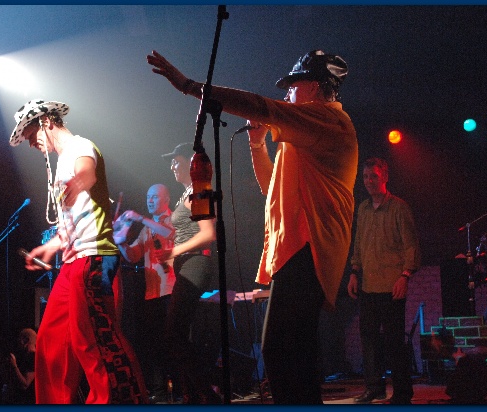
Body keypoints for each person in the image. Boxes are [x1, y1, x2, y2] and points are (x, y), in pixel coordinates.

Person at [148, 49, 358, 404]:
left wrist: (189, 86)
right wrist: (257, 145)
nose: (287, 93)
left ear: (314, 86)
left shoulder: (328, 120)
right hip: (296, 251)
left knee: (279, 348)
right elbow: (269, 188)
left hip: (309, 249)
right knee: (296, 352)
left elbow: (263, 107)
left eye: (293, 85)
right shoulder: (303, 137)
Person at [9, 99, 146, 404]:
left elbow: (88, 173)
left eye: (31, 135)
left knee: (94, 339)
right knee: (50, 341)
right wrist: (48, 247)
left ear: (46, 121)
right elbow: (71, 225)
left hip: (94, 257)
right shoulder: (60, 162)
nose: (31, 144)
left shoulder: (80, 146)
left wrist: (78, 181)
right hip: (73, 262)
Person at [145, 142, 221, 404]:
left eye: (176, 161)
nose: (172, 166)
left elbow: (208, 235)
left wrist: (173, 252)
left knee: (173, 334)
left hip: (196, 264)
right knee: (180, 334)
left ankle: (207, 395)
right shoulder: (187, 194)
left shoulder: (200, 191)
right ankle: (195, 396)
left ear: (191, 163)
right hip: (186, 264)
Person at [347, 157, 421, 405]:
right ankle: (374, 388)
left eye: (374, 176)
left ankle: (402, 393)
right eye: (365, 177)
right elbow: (358, 243)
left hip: (391, 286)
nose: (369, 181)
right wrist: (354, 272)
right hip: (368, 285)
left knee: (394, 342)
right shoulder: (363, 209)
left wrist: (405, 276)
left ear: (385, 177)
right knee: (368, 340)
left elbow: (411, 246)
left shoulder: (399, 208)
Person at [113, 183, 176, 403]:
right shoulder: (146, 229)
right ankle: (159, 391)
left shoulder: (173, 219)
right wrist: (121, 241)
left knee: (173, 342)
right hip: (152, 293)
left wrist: (140, 218)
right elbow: (133, 256)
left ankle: (180, 389)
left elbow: (170, 233)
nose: (150, 200)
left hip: (171, 289)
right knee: (154, 343)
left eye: (155, 197)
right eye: (148, 197)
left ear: (166, 199)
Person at [6, 328, 37, 404]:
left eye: (20, 339)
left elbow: (25, 384)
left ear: (26, 340)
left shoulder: (32, 357)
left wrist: (14, 366)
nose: (18, 342)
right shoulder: (28, 357)